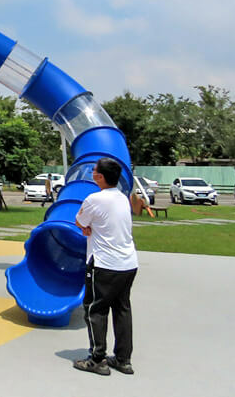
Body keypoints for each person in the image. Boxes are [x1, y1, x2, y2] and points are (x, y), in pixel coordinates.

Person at [73, 157, 138, 376]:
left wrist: (86, 227)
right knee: (122, 309)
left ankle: (97, 359)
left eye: (93, 170)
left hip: (104, 264)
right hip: (128, 263)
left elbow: (80, 221)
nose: (92, 173)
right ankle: (123, 359)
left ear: (99, 176)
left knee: (95, 309)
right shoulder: (122, 198)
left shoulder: (95, 199)